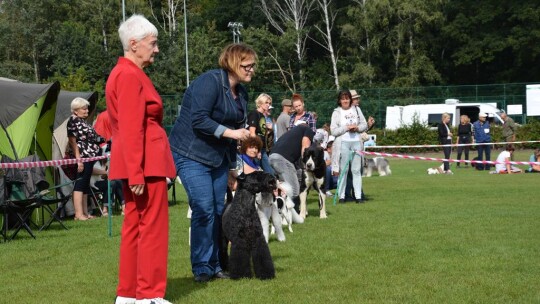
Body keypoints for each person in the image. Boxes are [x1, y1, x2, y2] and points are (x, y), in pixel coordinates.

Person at [168, 43, 254, 283]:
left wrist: (231, 167)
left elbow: (235, 133)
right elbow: (199, 120)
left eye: (253, 66)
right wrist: (232, 133)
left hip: (218, 159)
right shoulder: (210, 81)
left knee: (218, 210)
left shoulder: (242, 94)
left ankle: (216, 265)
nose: (251, 70)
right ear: (234, 63)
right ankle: (202, 268)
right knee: (204, 208)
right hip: (191, 154)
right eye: (247, 65)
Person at [106, 15, 176, 304]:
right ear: (134, 45)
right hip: (145, 163)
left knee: (135, 227)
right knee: (152, 229)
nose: (156, 49)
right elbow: (133, 126)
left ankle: (129, 294)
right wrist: (136, 172)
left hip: (139, 161)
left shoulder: (124, 74)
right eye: (153, 43)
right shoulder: (130, 75)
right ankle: (148, 295)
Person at [330, 90, 372, 204]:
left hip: (356, 143)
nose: (345, 100)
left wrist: (357, 128)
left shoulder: (357, 110)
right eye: (343, 99)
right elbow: (333, 131)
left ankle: (358, 197)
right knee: (344, 170)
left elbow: (364, 125)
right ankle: (342, 196)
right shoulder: (336, 112)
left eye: (347, 98)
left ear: (350, 99)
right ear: (339, 100)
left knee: (356, 170)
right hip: (343, 143)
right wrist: (347, 128)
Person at [67, 97, 105, 221]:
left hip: (89, 157)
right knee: (80, 184)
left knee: (85, 185)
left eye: (87, 108)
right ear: (76, 110)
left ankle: (84, 213)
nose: (87, 110)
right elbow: (72, 141)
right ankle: (78, 214)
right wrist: (79, 160)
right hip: (82, 157)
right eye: (84, 108)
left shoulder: (82, 121)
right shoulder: (73, 121)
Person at [269, 120, 314, 212]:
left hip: (272, 157)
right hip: (283, 159)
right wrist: (306, 164)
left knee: (285, 185)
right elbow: (305, 147)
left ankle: (279, 207)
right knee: (293, 190)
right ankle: (291, 211)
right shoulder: (307, 129)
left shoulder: (289, 134)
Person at [247, 93, 274, 174]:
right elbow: (252, 133)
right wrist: (257, 150)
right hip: (255, 148)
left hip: (262, 148)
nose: (268, 105)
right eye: (266, 102)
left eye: (269, 103)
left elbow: (261, 133)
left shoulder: (262, 115)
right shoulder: (254, 114)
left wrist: (268, 130)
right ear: (260, 103)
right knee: (255, 174)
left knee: (270, 173)